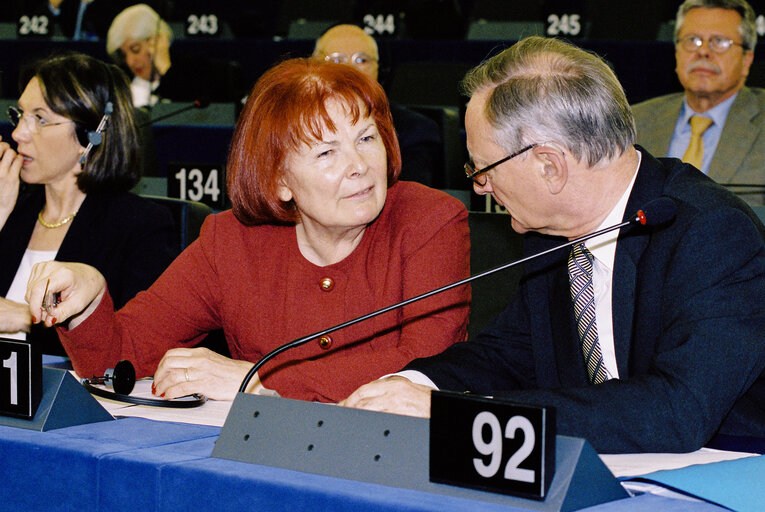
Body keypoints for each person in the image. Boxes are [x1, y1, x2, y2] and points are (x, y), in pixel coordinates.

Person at [341, 36, 765, 454]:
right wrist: (408, 387)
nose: (480, 185)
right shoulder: (550, 232)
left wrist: (457, 413)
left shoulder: (713, 234)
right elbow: (509, 354)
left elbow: (677, 409)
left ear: (549, 165)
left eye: (483, 167)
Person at [25, 58, 471, 403]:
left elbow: (426, 366)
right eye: (326, 153)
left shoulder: (430, 221)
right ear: (279, 180)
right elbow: (117, 358)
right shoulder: (231, 242)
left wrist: (257, 379)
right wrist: (87, 301)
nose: (359, 167)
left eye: (366, 138)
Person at [0, 53, 177, 357]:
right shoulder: (13, 211)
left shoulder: (139, 226)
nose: (17, 134)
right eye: (20, 115)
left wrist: (23, 318)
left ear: (88, 137)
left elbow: (128, 346)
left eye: (40, 119)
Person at [632, 0, 765, 206]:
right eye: (693, 40)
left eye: (719, 41)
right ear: (677, 52)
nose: (703, 52)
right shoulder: (635, 121)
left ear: (747, 59)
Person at [313, 24, 444, 188]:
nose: (349, 69)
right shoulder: (294, 127)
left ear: (380, 69)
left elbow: (408, 201)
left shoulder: (414, 131)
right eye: (336, 60)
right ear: (313, 67)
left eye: (361, 60)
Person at [106, 3, 242, 108]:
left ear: (157, 40)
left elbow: (196, 115)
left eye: (135, 49)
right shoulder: (120, 84)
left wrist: (166, 69)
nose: (130, 61)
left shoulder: (195, 70)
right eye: (124, 55)